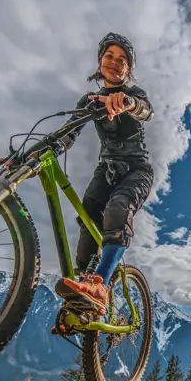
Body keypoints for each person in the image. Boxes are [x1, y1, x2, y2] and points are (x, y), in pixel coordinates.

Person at [53, 32, 154, 316]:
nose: (115, 63)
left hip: (137, 168)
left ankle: (100, 284)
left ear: (128, 69)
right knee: (88, 216)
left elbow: (147, 111)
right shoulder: (90, 99)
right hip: (106, 169)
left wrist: (127, 103)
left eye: (122, 60)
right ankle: (81, 293)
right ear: (100, 62)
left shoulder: (134, 95)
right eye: (109, 56)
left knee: (117, 208)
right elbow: (68, 133)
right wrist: (39, 150)